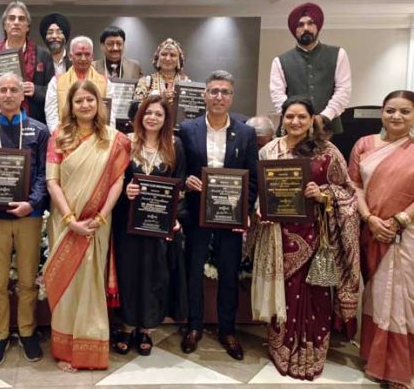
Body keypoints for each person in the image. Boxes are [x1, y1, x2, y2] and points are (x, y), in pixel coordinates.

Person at [251, 96, 360, 380]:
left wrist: (323, 194)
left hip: (314, 236)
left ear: (312, 120)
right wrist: (260, 210)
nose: (295, 122)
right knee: (283, 294)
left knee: (313, 296)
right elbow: (261, 191)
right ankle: (281, 350)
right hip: (276, 236)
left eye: (302, 117)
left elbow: (347, 193)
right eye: (289, 117)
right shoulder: (270, 150)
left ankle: (309, 355)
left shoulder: (328, 152)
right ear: (282, 119)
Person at [44, 80, 130, 371]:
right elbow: (52, 182)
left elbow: (118, 180)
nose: (84, 105)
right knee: (67, 284)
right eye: (78, 101)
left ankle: (90, 346)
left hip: (96, 223)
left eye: (89, 100)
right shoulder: (59, 136)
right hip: (65, 222)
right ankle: (66, 348)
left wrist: (101, 216)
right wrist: (70, 220)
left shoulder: (113, 139)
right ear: (71, 105)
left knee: (91, 282)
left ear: (99, 104)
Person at [177, 70, 258, 361]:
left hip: (230, 217)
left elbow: (252, 178)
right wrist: (187, 180)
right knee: (193, 270)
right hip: (197, 212)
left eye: (224, 92)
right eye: (213, 91)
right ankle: (194, 326)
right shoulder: (187, 129)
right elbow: (180, 167)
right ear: (204, 95)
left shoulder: (246, 133)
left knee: (228, 272)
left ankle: (227, 329)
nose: (219, 97)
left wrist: (244, 212)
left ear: (231, 97)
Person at [0, 72, 49, 366]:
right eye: (2, 90)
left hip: (30, 215)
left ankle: (27, 332)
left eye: (13, 89)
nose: (8, 94)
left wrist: (32, 203)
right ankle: (1, 335)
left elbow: (42, 173)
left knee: (28, 280)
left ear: (22, 94)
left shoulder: (39, 131)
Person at [111, 94, 187, 356]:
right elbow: (112, 182)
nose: (152, 117)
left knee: (155, 274)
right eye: (148, 113)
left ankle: (146, 329)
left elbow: (181, 185)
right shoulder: (126, 144)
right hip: (128, 224)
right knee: (129, 273)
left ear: (166, 120)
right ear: (140, 116)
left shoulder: (175, 146)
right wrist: (125, 193)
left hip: (159, 227)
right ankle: (127, 325)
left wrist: (174, 218)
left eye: (159, 114)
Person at [348, 90, 414, 389]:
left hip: (406, 234)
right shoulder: (364, 144)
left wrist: (400, 220)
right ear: (382, 113)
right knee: (376, 295)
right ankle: (376, 359)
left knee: (402, 298)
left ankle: (399, 366)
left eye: (405, 111)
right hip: (371, 230)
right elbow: (354, 186)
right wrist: (369, 219)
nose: (396, 117)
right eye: (390, 110)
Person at [270, 2, 351, 137]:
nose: (306, 28)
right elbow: (278, 96)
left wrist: (324, 117)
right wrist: (298, 120)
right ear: (294, 30)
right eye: (300, 25)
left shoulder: (338, 54)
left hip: (329, 130)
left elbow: (343, 90)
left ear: (317, 26)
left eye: (310, 23)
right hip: (292, 130)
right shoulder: (280, 61)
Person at [0, 1, 54, 125]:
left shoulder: (43, 55)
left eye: (21, 19)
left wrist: (36, 90)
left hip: (32, 123)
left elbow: (52, 92)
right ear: (5, 25)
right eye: (12, 18)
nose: (16, 22)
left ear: (27, 27)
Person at [45, 36, 109, 133]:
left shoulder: (106, 82)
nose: (83, 58)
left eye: (87, 54)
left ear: (92, 57)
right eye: (79, 54)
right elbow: (51, 115)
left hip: (97, 137)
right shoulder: (56, 82)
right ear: (70, 56)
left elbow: (110, 117)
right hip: (65, 137)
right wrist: (58, 136)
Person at [134, 38, 190, 104]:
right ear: (158, 58)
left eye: (172, 55)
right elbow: (137, 108)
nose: (168, 59)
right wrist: (160, 98)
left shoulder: (186, 83)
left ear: (179, 60)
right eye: (164, 54)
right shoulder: (145, 82)